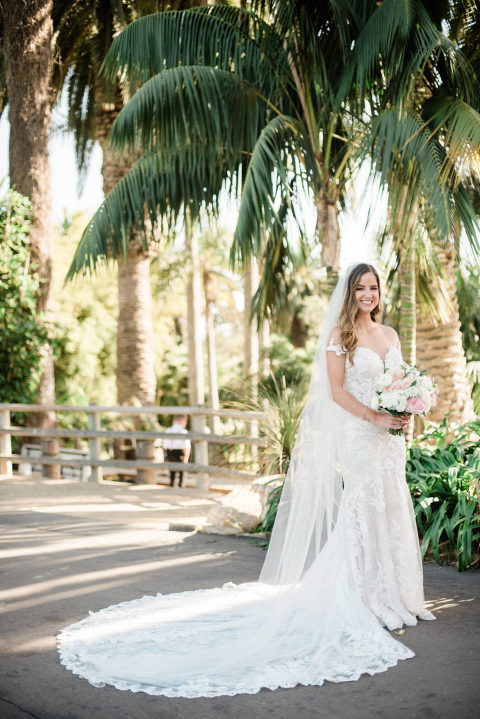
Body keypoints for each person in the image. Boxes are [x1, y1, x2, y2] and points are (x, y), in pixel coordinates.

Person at [58, 263, 434, 697]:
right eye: (360, 288)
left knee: (389, 503)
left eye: (373, 288)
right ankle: (368, 595)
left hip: (390, 436)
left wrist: (405, 410)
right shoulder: (339, 337)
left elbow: (400, 380)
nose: (367, 295)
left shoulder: (389, 335)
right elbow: (335, 393)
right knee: (363, 506)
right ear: (349, 293)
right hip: (360, 433)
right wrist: (375, 415)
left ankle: (400, 592)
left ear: (379, 292)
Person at [162, 415, 191, 488]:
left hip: (170, 452)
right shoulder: (183, 431)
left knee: (172, 471)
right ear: (183, 421)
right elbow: (186, 446)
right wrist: (186, 456)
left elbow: (165, 445)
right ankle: (181, 485)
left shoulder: (168, 430)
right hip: (180, 452)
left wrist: (167, 453)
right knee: (182, 471)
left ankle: (172, 485)